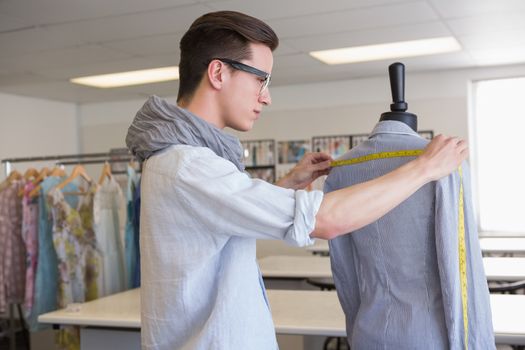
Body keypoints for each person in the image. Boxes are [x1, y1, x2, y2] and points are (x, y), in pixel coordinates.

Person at [125, 10, 468, 350]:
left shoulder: (188, 160)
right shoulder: (187, 165)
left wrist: (288, 183)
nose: (266, 96)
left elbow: (224, 215)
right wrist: (424, 169)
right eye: (261, 79)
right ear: (218, 72)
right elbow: (325, 220)